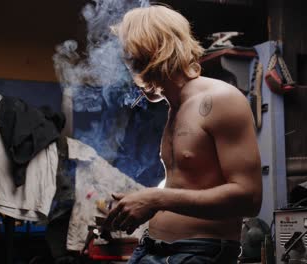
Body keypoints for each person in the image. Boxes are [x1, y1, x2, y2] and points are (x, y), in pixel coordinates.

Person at [104, 4, 262, 264]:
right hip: (151, 249)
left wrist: (155, 199)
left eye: (131, 59)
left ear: (150, 52)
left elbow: (249, 199)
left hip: (197, 254)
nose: (129, 69)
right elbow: (189, 185)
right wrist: (137, 205)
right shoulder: (174, 108)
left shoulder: (221, 100)